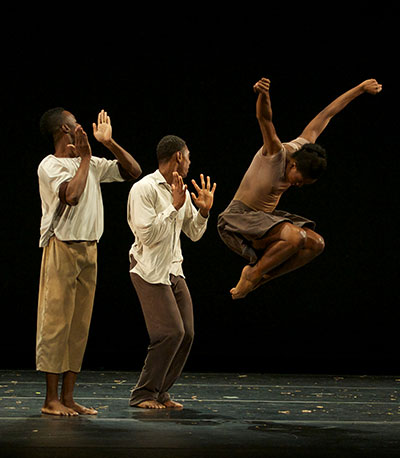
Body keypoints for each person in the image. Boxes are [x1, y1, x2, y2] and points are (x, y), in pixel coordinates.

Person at [217, 77, 382, 300]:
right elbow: (264, 118)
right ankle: (253, 273)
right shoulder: (275, 153)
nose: (297, 185)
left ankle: (258, 278)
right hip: (238, 219)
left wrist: (360, 89)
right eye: (299, 180)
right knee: (296, 238)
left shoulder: (304, 146)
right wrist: (263, 95)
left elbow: (327, 114)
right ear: (293, 164)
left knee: (316, 244)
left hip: (265, 220)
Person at [37, 108, 142, 416]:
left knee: (79, 326)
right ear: (62, 131)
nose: (81, 128)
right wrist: (84, 159)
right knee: (56, 325)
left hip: (90, 249)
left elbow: (133, 171)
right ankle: (50, 400)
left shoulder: (93, 162)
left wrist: (108, 144)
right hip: (62, 248)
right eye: (75, 125)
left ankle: (68, 397)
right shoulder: (50, 165)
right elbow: (71, 195)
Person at [127, 135, 216, 409]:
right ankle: (143, 393)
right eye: (188, 156)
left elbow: (193, 233)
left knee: (186, 333)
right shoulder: (144, 189)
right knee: (169, 333)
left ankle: (161, 391)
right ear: (178, 156)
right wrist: (173, 206)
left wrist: (202, 212)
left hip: (173, 269)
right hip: (148, 269)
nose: (190, 162)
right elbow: (148, 234)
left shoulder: (179, 189)